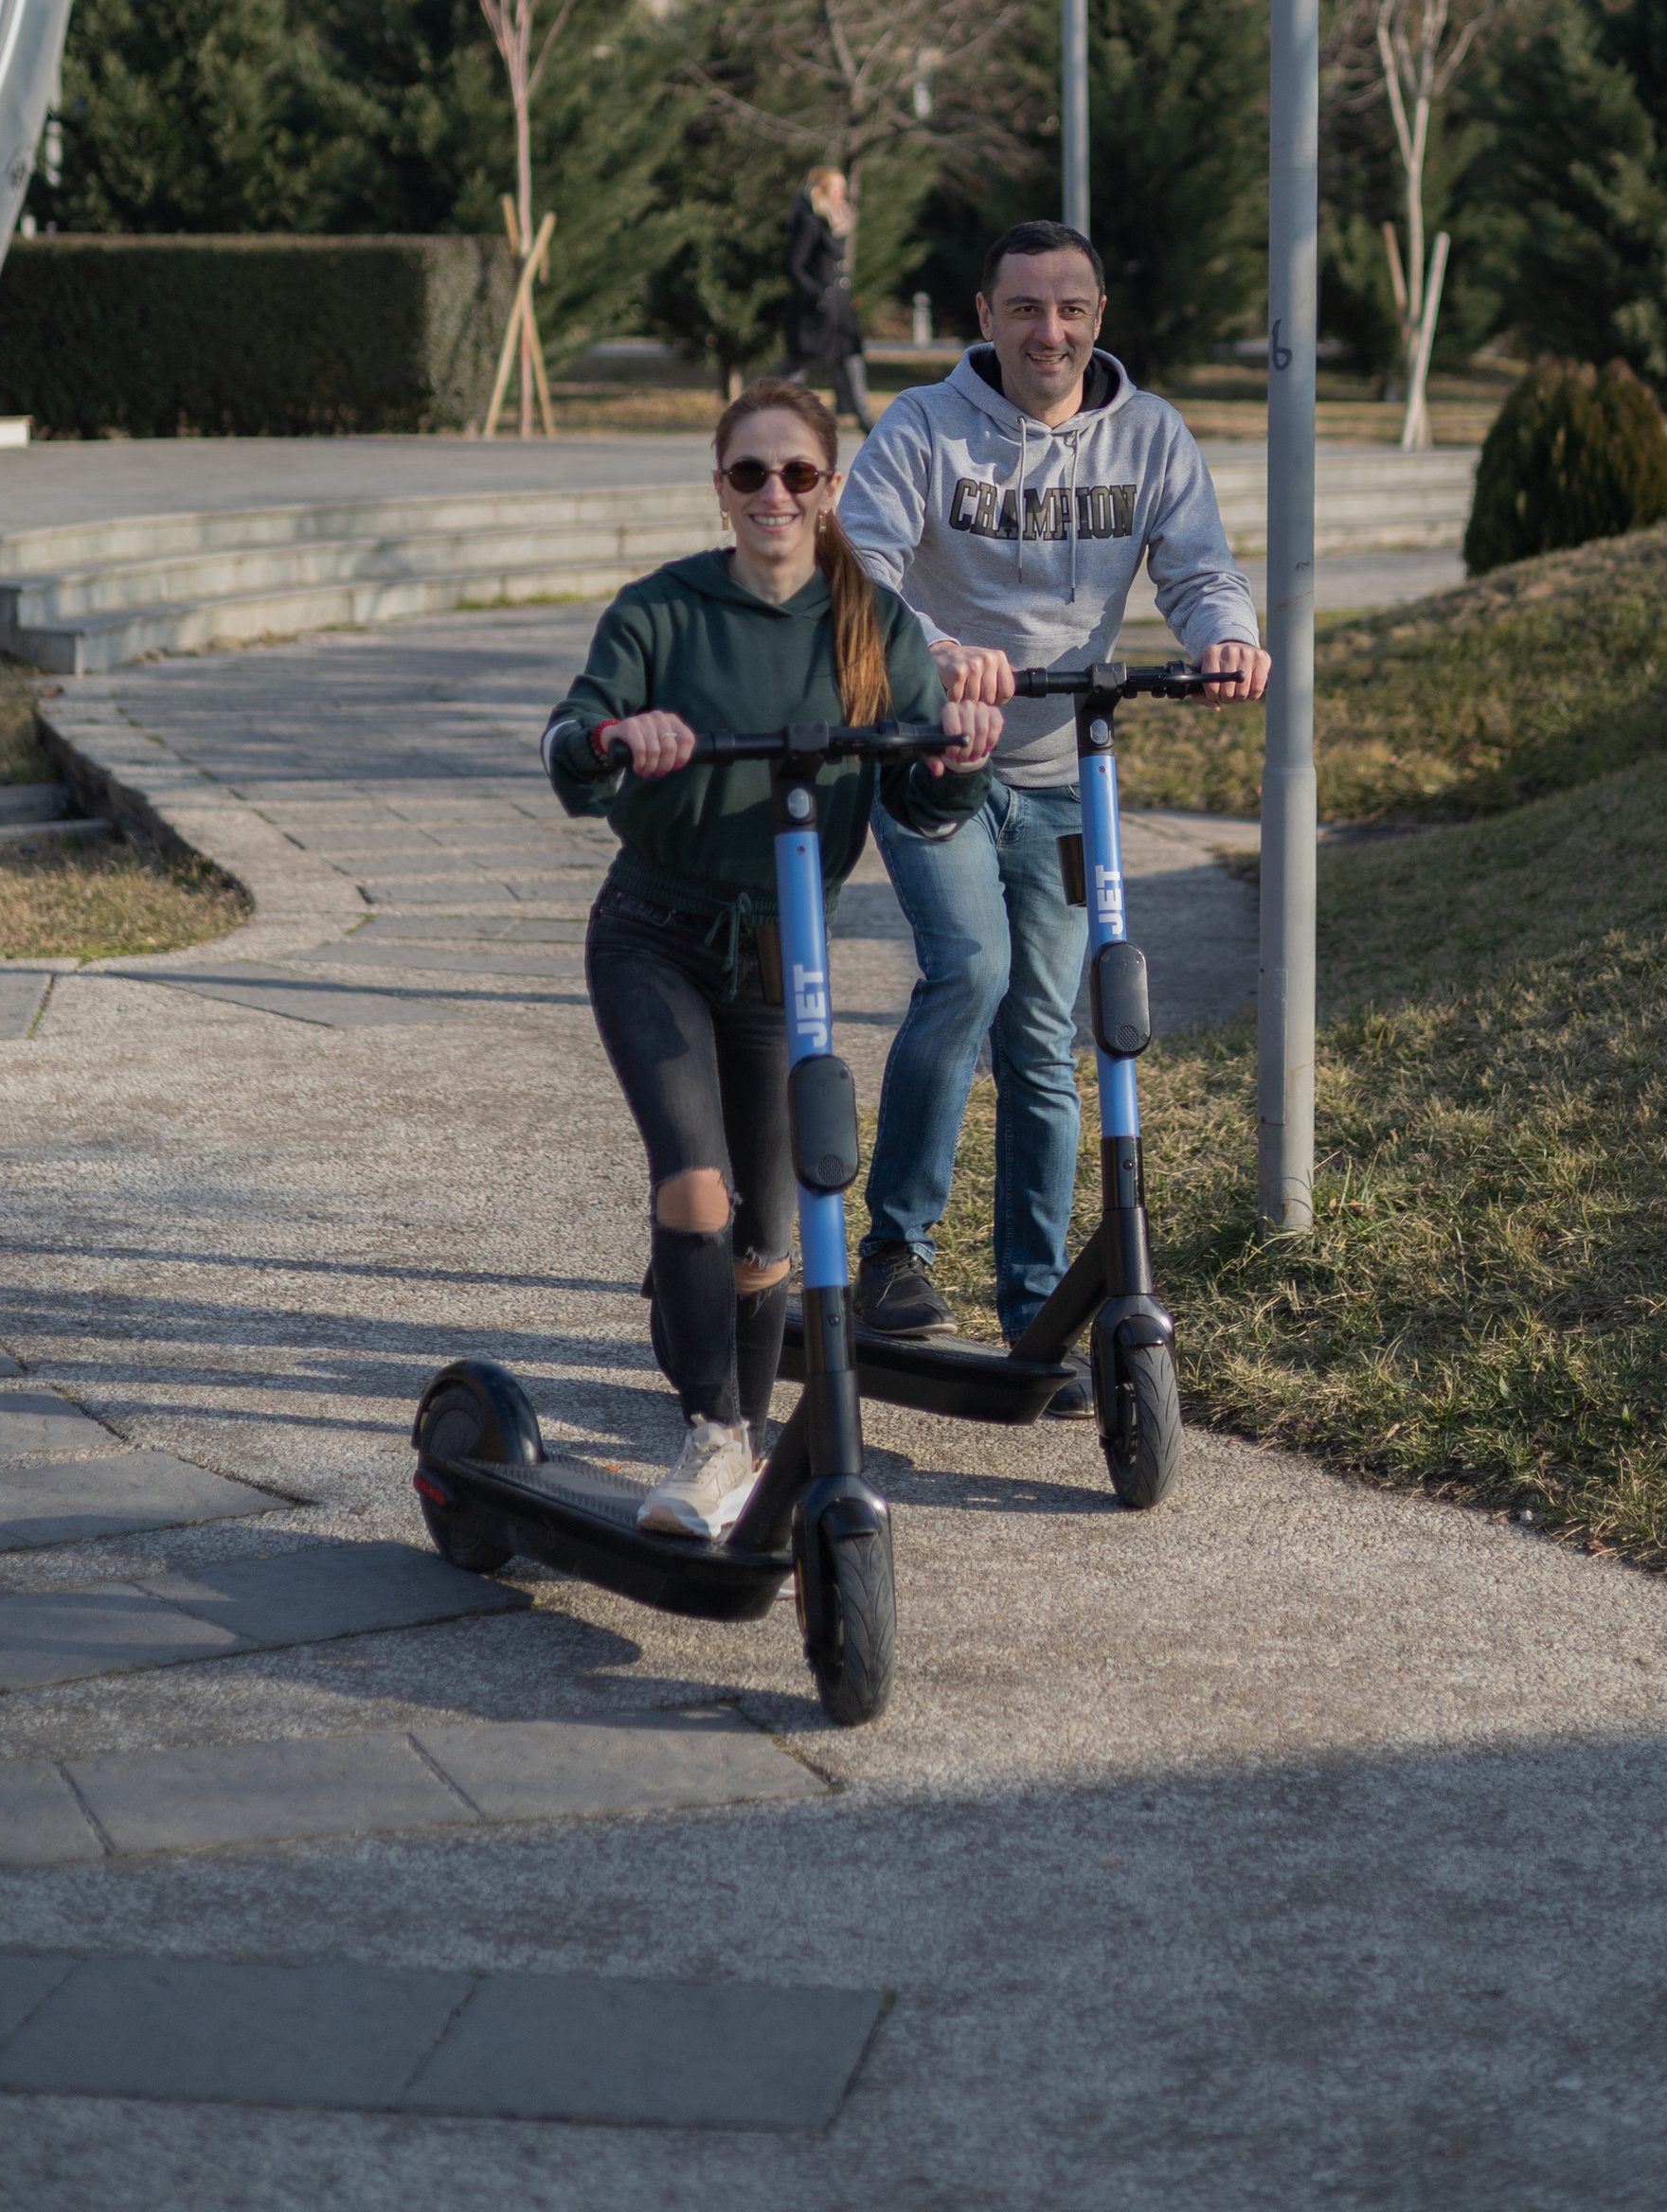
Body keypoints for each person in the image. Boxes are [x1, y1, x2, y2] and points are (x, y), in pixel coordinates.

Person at [543, 377, 1000, 1538]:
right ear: (720, 487)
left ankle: (725, 1412)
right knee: (695, 1185)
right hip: (653, 935)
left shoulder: (874, 627)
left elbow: (923, 796)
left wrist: (958, 759)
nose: (775, 494)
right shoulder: (664, 611)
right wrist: (619, 736)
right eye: (750, 473)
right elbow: (571, 747)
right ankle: (712, 1436)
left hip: (780, 964)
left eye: (798, 474)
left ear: (832, 488)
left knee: (767, 1239)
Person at [835, 220, 1271, 1399]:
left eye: (1069, 308)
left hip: (1070, 767)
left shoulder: (1151, 434)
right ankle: (895, 1253)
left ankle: (1034, 1293)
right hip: (935, 756)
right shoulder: (924, 430)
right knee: (966, 973)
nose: (1049, 331)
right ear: (983, 315)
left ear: (1098, 317)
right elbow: (857, 569)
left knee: (1045, 1035)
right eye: (1024, 308)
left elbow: (1195, 568)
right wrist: (938, 655)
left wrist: (1225, 637)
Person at [782, 166, 874, 434]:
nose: (842, 194)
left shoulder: (837, 221)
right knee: (795, 368)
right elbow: (793, 265)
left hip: (839, 309)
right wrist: (816, 295)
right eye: (836, 188)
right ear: (821, 191)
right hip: (815, 309)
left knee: (852, 364)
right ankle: (767, 412)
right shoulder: (810, 221)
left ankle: (868, 425)